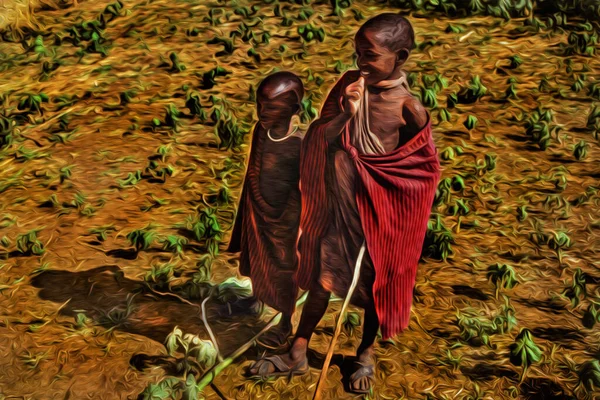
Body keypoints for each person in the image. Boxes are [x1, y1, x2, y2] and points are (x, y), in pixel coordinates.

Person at [249, 13, 441, 394]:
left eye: (369, 55)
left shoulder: (410, 110)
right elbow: (321, 135)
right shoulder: (348, 87)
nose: (360, 63)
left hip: (379, 221)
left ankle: (364, 354)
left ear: (399, 57)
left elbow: (421, 170)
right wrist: (347, 115)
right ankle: (298, 350)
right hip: (339, 210)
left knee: (374, 289)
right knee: (321, 280)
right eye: (357, 53)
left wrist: (384, 193)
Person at [227, 71, 304, 349]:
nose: (262, 112)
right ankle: (257, 298)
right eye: (260, 104)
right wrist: (254, 201)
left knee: (285, 269)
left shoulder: (300, 143)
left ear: (294, 110)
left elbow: (302, 188)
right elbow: (254, 167)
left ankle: (285, 322)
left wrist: (292, 221)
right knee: (257, 258)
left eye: (271, 106)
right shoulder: (261, 131)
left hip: (285, 221)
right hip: (257, 212)